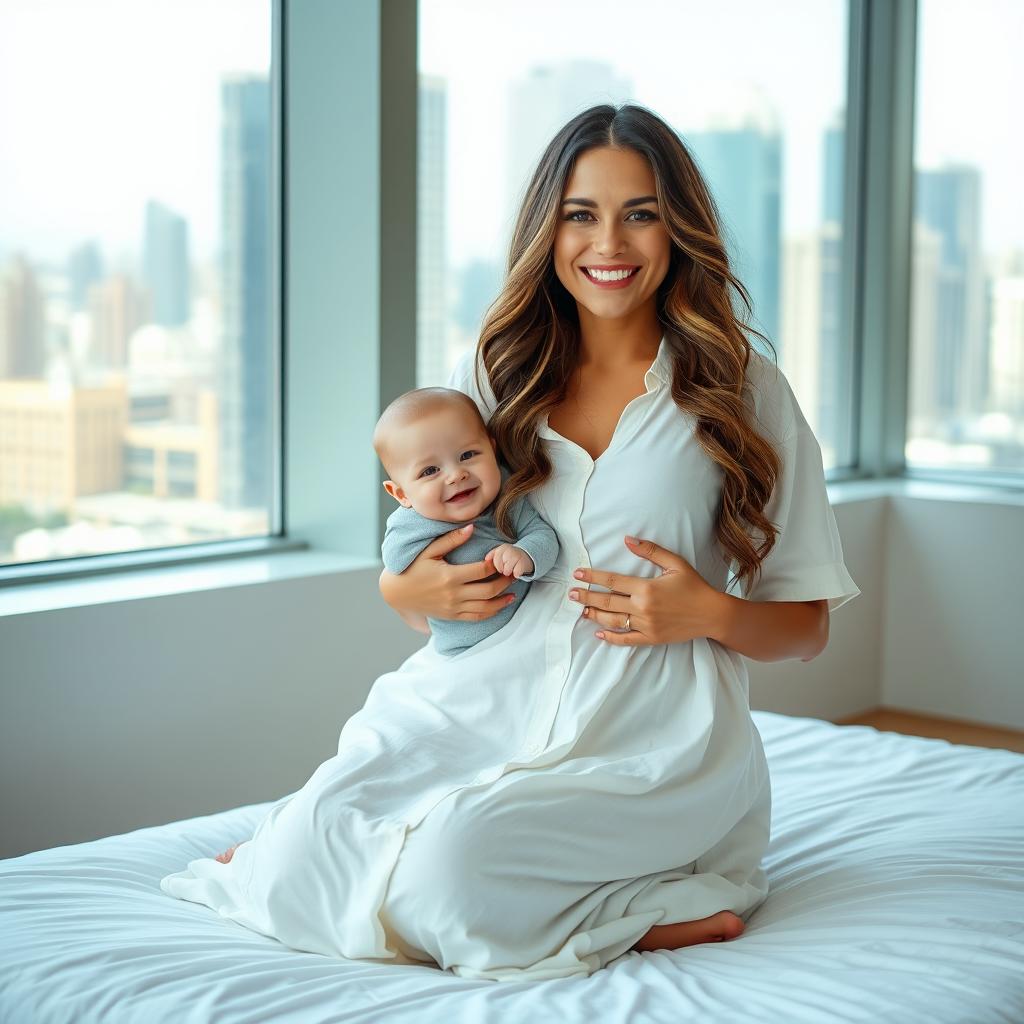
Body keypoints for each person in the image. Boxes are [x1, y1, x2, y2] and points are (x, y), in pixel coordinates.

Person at [162, 103, 860, 982]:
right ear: (548, 227)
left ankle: (653, 908)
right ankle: (338, 861)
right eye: (581, 213)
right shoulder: (494, 373)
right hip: (467, 708)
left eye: (640, 212)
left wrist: (708, 612)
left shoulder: (742, 387)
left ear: (678, 227)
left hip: (649, 737)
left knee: (450, 873)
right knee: (305, 845)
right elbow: (428, 564)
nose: (610, 242)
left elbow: (805, 628)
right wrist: (402, 594)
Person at [373, 385, 559, 655]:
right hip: (460, 651)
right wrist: (408, 588)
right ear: (401, 494)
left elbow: (543, 536)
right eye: (430, 470)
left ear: (492, 451)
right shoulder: (410, 525)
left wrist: (525, 554)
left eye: (468, 455)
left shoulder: (507, 496)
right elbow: (396, 567)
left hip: (526, 637)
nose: (456, 475)